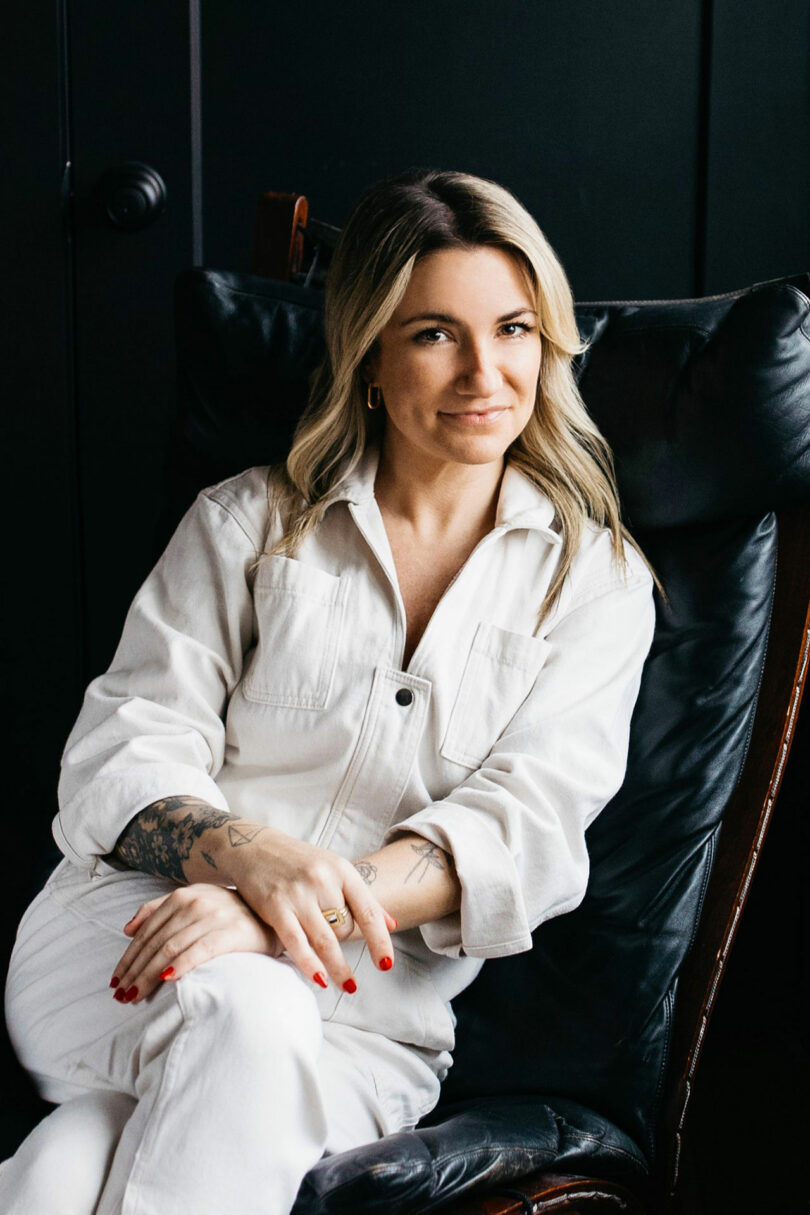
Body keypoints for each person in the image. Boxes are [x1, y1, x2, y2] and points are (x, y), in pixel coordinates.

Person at [1, 169, 656, 1214]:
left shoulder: (595, 582)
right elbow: (124, 746)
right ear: (370, 359)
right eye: (436, 334)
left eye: (518, 330)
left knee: (64, 1172)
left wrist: (279, 914)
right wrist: (243, 854)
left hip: (364, 1027)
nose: (487, 372)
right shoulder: (245, 526)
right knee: (241, 1013)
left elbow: (525, 836)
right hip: (128, 952)